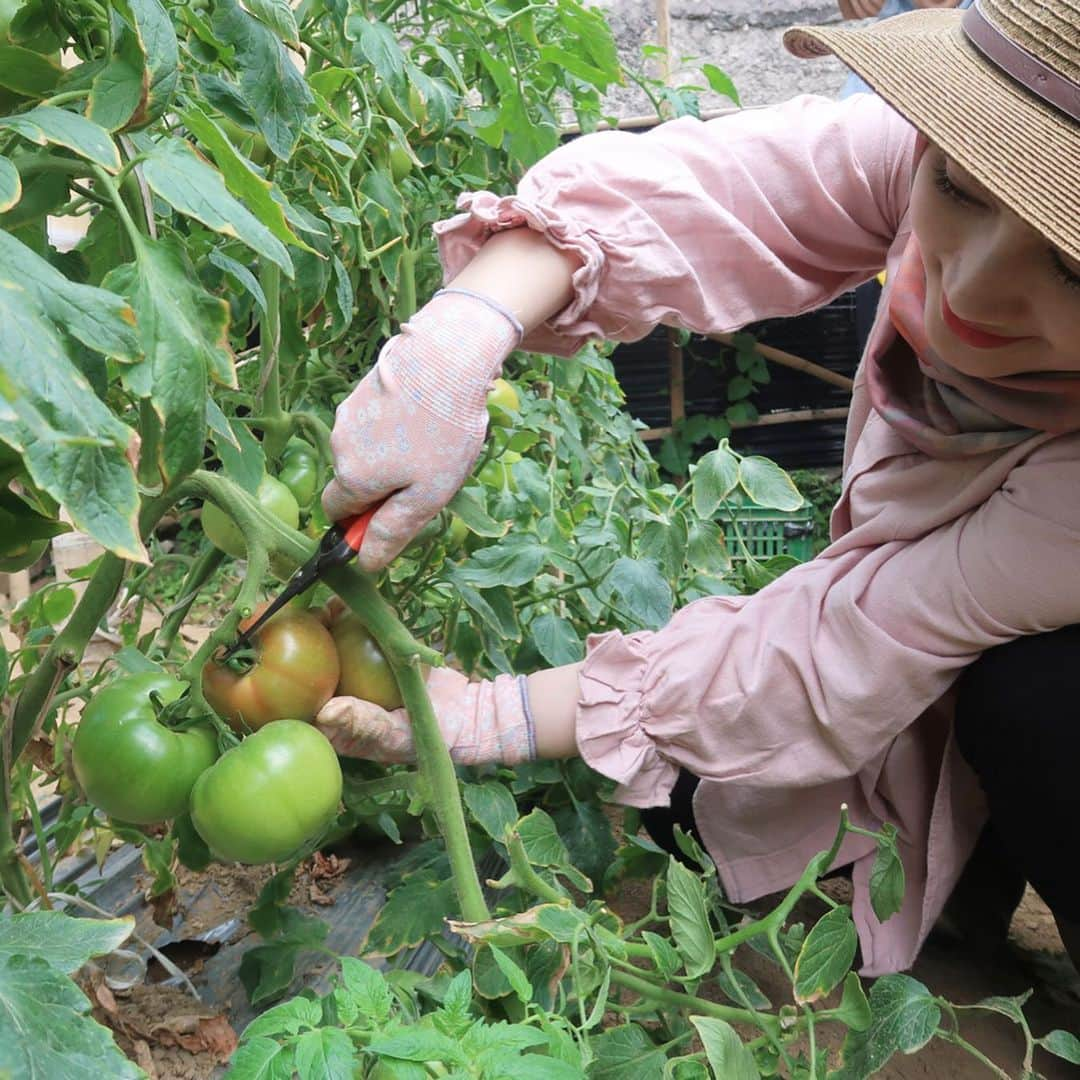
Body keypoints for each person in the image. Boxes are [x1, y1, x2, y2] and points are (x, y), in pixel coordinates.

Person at [316, 0, 1080, 980]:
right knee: (698, 796)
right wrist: (459, 334)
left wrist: (494, 715)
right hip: (944, 637)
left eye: (1067, 262)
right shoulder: (924, 145)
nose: (971, 288)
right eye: (963, 190)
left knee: (1039, 703)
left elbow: (842, 639)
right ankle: (965, 842)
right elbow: (705, 190)